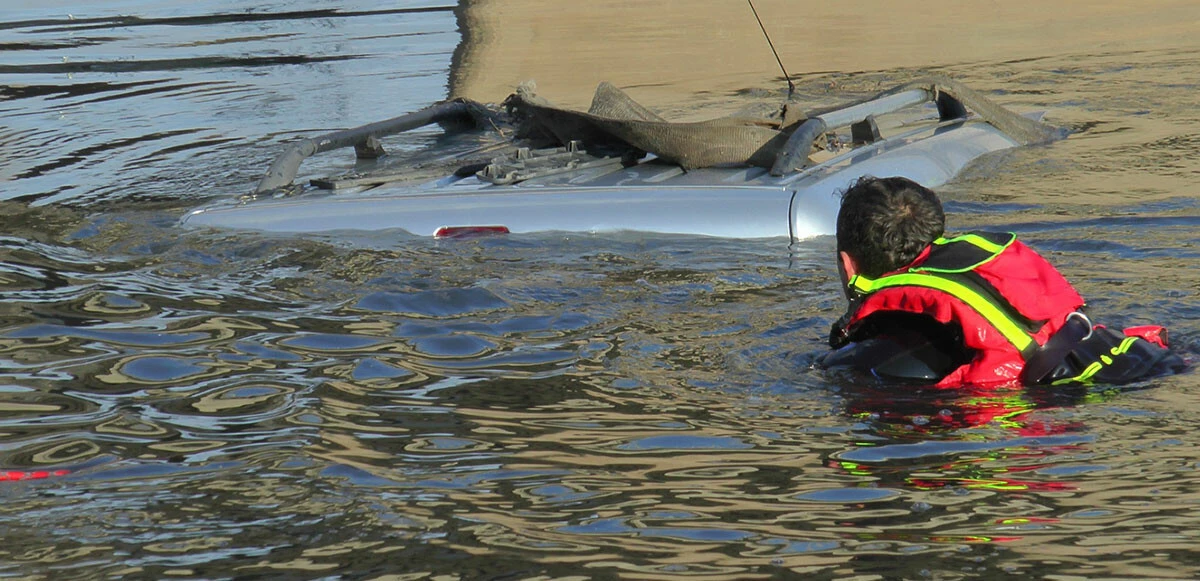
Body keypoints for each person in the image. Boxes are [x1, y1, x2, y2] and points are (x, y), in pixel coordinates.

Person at [821, 176, 1183, 387]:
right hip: (1137, 356)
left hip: (1057, 400)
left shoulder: (865, 362)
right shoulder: (977, 264)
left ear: (847, 265)